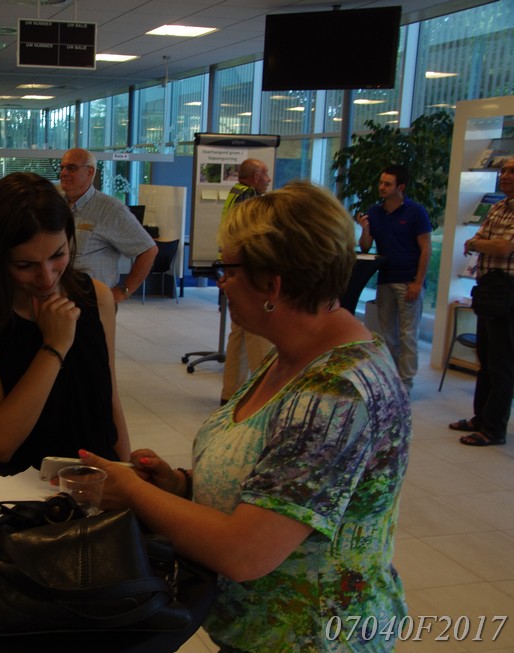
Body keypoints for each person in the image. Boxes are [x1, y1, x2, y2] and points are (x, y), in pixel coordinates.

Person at [81, 182, 411, 652]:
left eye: (228, 270)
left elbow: (246, 552)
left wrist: (133, 491)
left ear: (272, 284)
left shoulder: (334, 393)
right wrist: (180, 486)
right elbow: (274, 480)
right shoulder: (295, 354)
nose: (221, 283)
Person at [0, 172, 131, 468]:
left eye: (58, 255)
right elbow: (0, 445)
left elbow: (109, 398)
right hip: (24, 485)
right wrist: (54, 346)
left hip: (99, 479)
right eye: (25, 265)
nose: (46, 277)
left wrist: (127, 470)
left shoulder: (96, 297)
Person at [449, 159, 514, 446]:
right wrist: (481, 243)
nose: (505, 175)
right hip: (489, 290)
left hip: (509, 293)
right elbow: (476, 239)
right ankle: (481, 417)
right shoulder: (498, 207)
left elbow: (503, 246)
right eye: (503, 170)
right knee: (485, 358)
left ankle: (494, 429)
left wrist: (479, 244)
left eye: (512, 171)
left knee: (502, 363)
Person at [357, 164, 432, 392]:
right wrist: (365, 228)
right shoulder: (375, 212)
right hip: (386, 279)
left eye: (387, 184)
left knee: (408, 334)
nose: (381, 187)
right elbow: (365, 247)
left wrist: (418, 282)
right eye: (381, 183)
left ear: (401, 187)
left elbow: (426, 248)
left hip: (409, 281)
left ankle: (406, 382)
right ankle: (391, 379)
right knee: (387, 334)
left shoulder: (415, 211)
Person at [59, 148, 157, 304]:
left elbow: (148, 250)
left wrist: (123, 292)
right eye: (62, 167)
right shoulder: (57, 206)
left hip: (93, 303)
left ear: (90, 172)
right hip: (59, 300)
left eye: (71, 168)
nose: (63, 173)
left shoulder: (111, 209)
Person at [220, 158, 272, 405]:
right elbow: (252, 240)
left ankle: (230, 394)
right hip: (249, 273)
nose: (269, 180)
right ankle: (260, 396)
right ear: (255, 177)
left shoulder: (235, 192)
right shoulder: (250, 198)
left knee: (238, 334)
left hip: (235, 271)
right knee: (256, 333)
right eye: (265, 175)